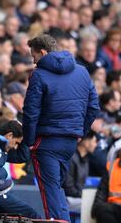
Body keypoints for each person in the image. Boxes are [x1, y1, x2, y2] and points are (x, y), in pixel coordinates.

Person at [23, 34, 100, 221]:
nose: (33, 62)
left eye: (34, 57)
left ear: (42, 52)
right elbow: (94, 106)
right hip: (70, 141)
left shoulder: (39, 74)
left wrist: (30, 141)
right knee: (57, 188)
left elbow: (31, 112)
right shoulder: (82, 71)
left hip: (46, 140)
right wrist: (79, 131)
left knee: (50, 191)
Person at [91, 149, 121, 223]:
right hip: (114, 208)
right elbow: (102, 190)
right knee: (103, 210)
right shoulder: (112, 166)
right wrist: (96, 208)